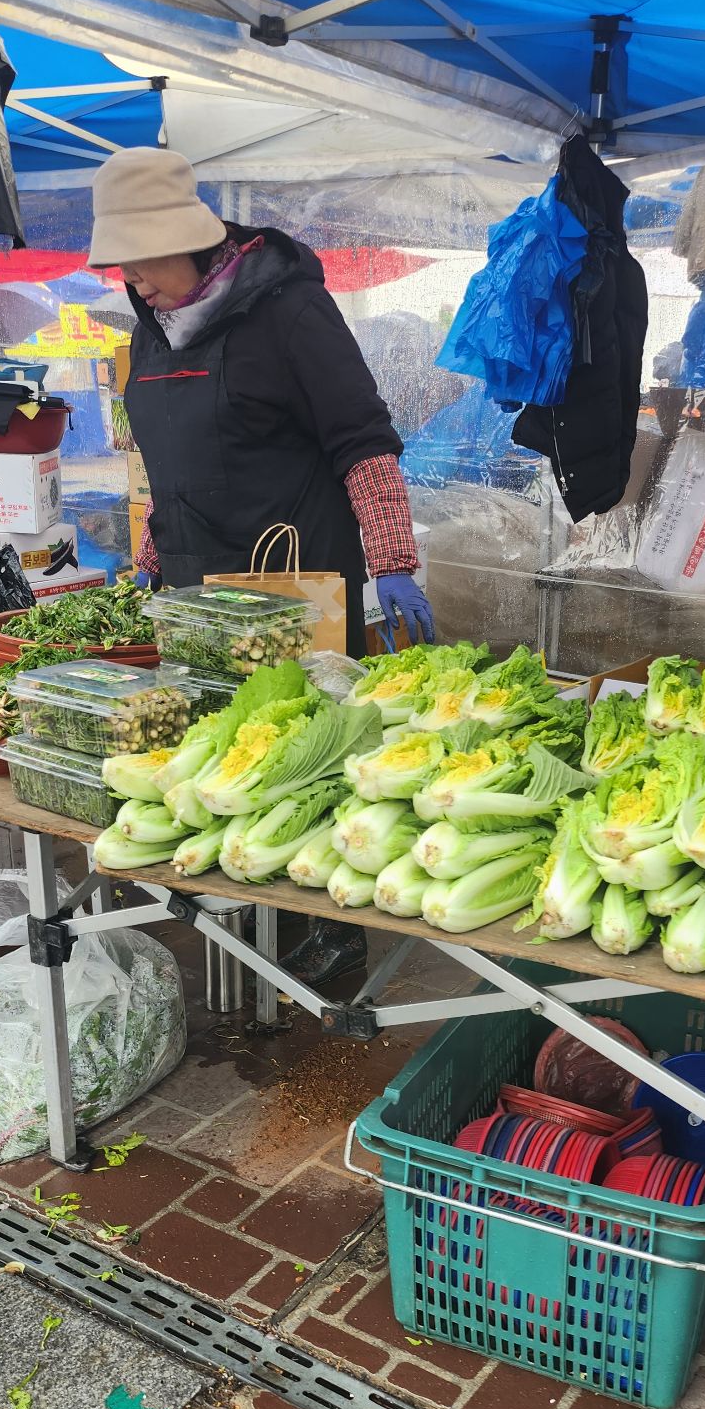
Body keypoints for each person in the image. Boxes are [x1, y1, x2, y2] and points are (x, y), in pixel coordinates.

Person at [89, 147, 435, 980]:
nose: (135, 281)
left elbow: (362, 441)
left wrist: (392, 557)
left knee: (304, 766)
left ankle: (330, 946)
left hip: (294, 587)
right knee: (224, 770)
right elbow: (167, 462)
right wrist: (149, 555)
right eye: (123, 266)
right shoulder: (151, 327)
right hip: (196, 594)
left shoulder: (290, 311)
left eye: (143, 260)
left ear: (188, 238)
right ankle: (244, 939)